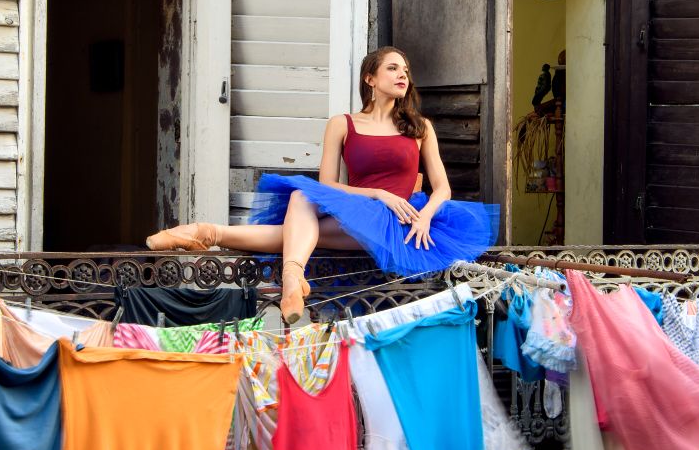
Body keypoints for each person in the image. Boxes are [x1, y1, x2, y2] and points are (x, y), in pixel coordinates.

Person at [147, 48, 498, 323]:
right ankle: (291, 280)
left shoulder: (419, 127)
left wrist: (425, 217)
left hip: (402, 222)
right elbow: (328, 184)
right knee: (302, 196)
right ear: (370, 78)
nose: (402, 74)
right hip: (358, 212)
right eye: (392, 68)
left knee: (295, 227)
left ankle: (208, 233)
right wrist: (377, 192)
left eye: (405, 70)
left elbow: (443, 189)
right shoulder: (341, 124)